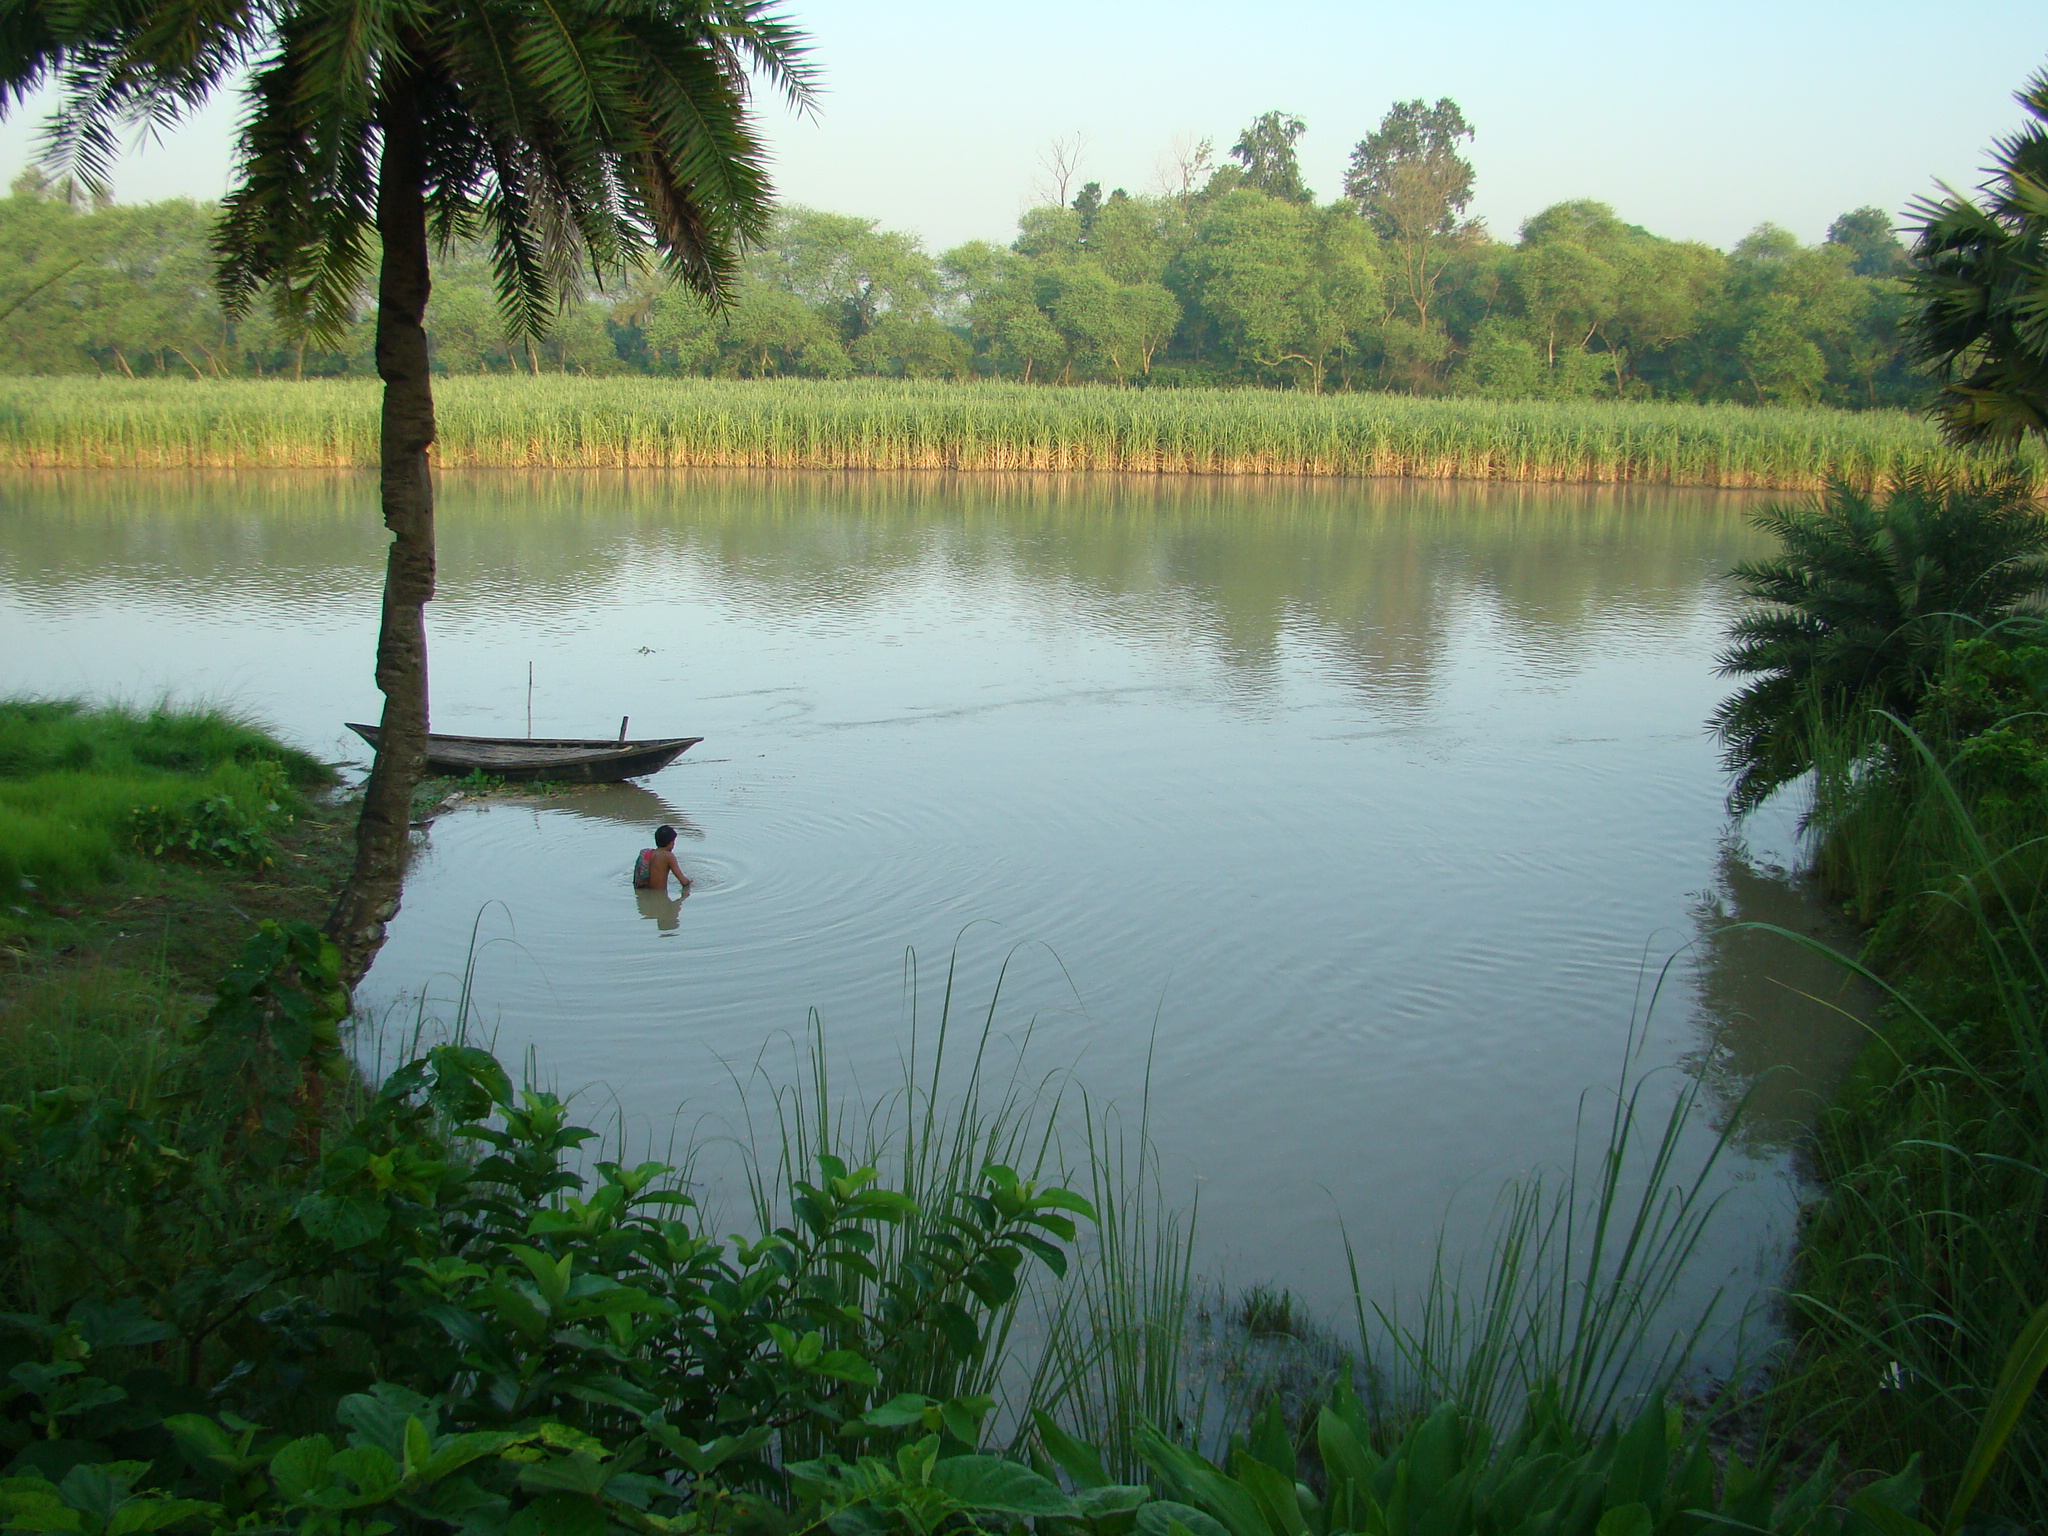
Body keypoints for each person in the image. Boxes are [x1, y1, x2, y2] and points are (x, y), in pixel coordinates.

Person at [632, 824, 691, 893]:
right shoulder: (668, 856)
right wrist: (690, 882)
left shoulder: (645, 853)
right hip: (659, 896)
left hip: (643, 896)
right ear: (671, 843)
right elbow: (683, 881)